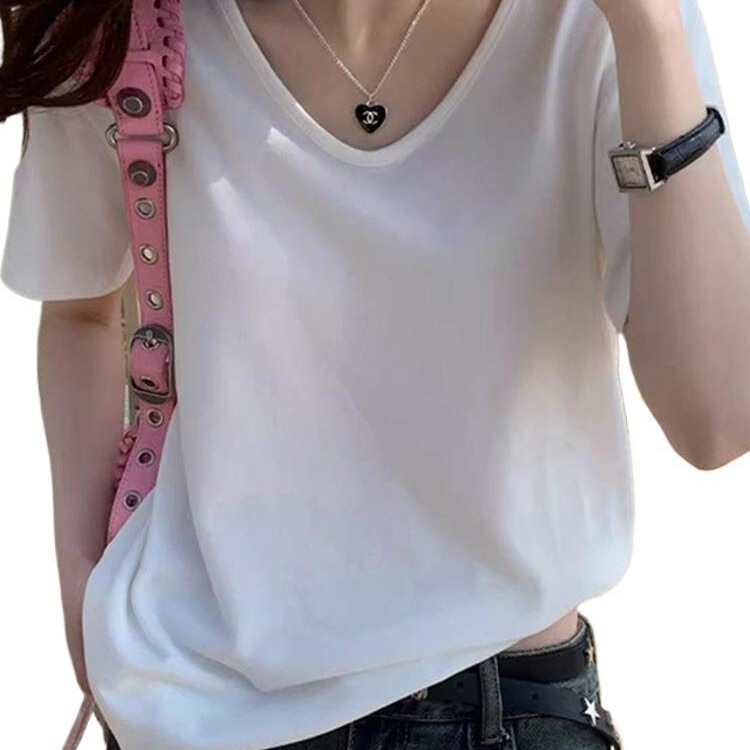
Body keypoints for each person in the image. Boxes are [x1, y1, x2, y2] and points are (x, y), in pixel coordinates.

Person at [1, 0, 749, 749]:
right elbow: (83, 311)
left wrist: (652, 29)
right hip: (193, 699)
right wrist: (83, 581)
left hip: (503, 699)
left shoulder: (595, 25)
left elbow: (716, 417)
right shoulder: (124, 29)